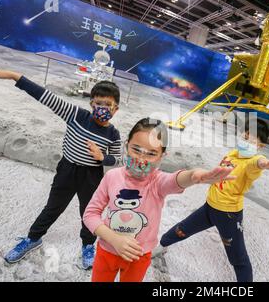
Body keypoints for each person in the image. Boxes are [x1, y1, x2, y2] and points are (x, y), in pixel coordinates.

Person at [0, 64, 122, 269]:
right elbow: (45, 96)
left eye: (108, 105)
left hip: (92, 176)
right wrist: (14, 76)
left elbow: (117, 160)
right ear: (91, 103)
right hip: (67, 169)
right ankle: (33, 238)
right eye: (99, 103)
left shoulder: (113, 134)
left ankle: (88, 245)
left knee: (89, 212)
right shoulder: (76, 115)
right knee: (53, 207)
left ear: (116, 108)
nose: (103, 109)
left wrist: (102, 157)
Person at [83, 118, 236, 282]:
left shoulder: (157, 182)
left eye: (151, 154)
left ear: (162, 156)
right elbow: (90, 214)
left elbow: (175, 180)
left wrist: (193, 176)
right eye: (136, 149)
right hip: (107, 250)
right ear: (126, 145)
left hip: (139, 255)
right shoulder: (112, 176)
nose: (141, 159)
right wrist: (114, 239)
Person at [157, 118, 269, 282]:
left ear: (260, 146)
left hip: (228, 215)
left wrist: (262, 162)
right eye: (244, 136)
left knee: (237, 256)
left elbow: (256, 164)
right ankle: (162, 245)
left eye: (250, 139)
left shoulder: (251, 162)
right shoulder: (233, 154)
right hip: (209, 207)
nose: (244, 140)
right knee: (184, 227)